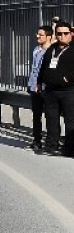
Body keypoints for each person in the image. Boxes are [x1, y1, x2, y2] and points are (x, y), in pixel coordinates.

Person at [40, 21, 74, 157]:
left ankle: (70, 148)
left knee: (70, 120)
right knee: (51, 118)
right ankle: (52, 144)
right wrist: (39, 81)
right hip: (51, 90)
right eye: (59, 33)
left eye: (65, 33)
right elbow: (43, 66)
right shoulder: (51, 49)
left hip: (69, 91)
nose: (62, 36)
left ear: (71, 34)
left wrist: (68, 78)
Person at [29, 25, 55, 153]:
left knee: (51, 116)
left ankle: (52, 141)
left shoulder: (52, 51)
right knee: (36, 115)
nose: (37, 36)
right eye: (37, 34)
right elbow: (34, 69)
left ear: (49, 36)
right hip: (34, 87)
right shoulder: (36, 50)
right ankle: (37, 140)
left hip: (47, 88)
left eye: (41, 34)